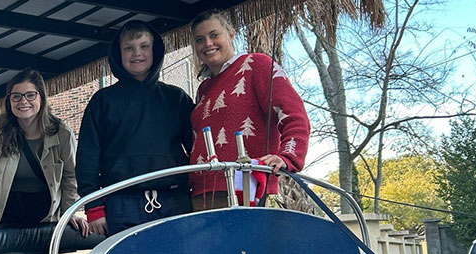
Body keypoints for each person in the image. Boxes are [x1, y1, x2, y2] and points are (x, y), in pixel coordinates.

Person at [76, 20, 195, 236]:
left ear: (154, 50)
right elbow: (87, 159)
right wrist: (93, 209)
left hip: (174, 200)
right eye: (128, 48)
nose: (136, 54)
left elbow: (198, 149)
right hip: (121, 204)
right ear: (118, 54)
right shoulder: (102, 101)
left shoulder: (176, 98)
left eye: (144, 46)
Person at [188, 9, 309, 210]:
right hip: (201, 191)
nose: (208, 44)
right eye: (200, 39)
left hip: (247, 185)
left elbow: (294, 115)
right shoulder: (203, 89)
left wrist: (288, 157)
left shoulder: (257, 65)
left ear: (231, 34)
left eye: (214, 35)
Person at [0, 68, 102, 254]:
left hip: (44, 211)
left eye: (30, 95)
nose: (23, 102)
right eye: (16, 96)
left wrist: (68, 214)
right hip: (9, 210)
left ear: (41, 98)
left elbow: (70, 177)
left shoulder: (61, 132)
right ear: (9, 100)